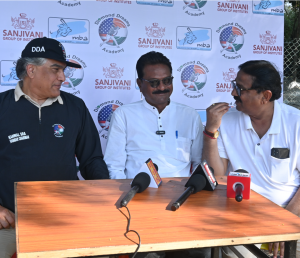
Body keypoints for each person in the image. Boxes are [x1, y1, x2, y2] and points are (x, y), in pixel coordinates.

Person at [0, 37, 109, 258]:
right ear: (31, 70)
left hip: (67, 219)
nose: (63, 77)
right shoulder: (1, 107)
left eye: (63, 70)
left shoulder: (75, 107)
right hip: (11, 223)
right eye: (55, 69)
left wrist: (104, 193)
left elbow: (91, 160)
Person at [202, 60, 300, 258]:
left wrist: (284, 223)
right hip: (241, 214)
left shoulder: (295, 123)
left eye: (240, 88)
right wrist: (211, 130)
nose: (233, 93)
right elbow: (218, 175)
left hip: (290, 212)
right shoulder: (226, 121)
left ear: (265, 96)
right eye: (234, 85)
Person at [104, 51, 203, 180]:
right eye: (154, 82)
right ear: (140, 84)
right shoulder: (123, 115)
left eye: (167, 81)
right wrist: (125, 194)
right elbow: (114, 166)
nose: (162, 87)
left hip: (181, 193)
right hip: (137, 191)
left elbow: (198, 163)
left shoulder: (190, 116)